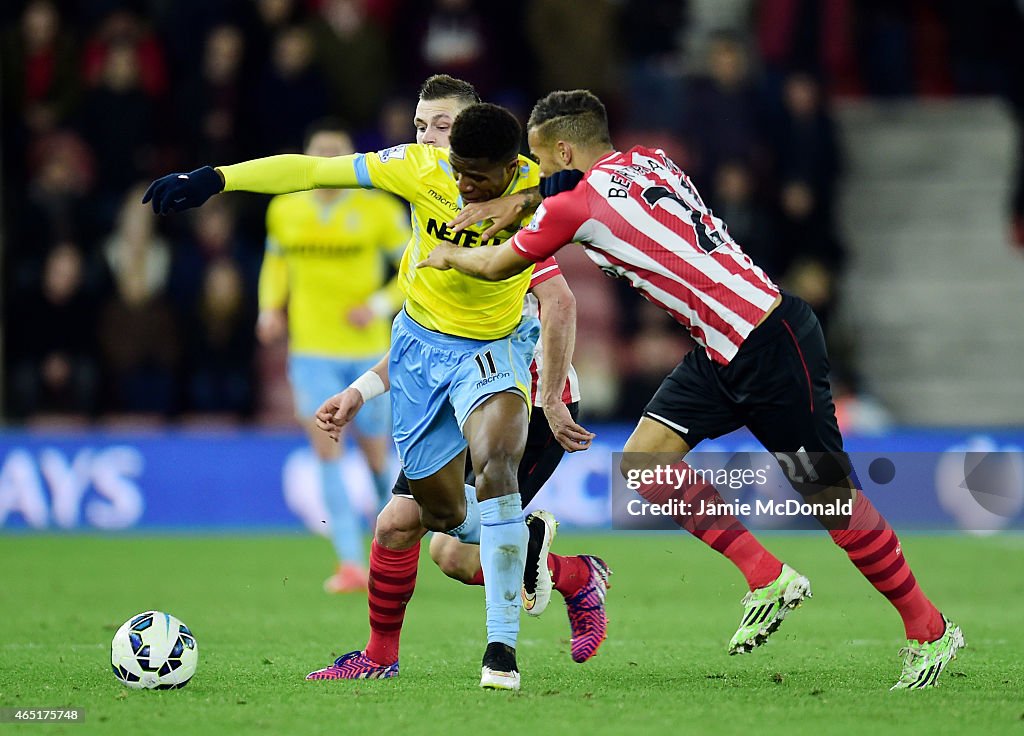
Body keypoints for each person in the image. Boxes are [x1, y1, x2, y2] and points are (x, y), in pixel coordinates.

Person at [418, 89, 965, 691]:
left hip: (769, 341)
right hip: (720, 347)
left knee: (831, 500)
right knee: (644, 462)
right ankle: (766, 575)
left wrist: (445, 253)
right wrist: (525, 197)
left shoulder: (573, 206)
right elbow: (563, 196)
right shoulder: (649, 160)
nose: (540, 171)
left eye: (543, 160)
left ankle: (931, 632)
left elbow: (498, 264)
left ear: (566, 149)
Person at [142, 93, 583, 691]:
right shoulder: (420, 169)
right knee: (441, 516)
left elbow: (589, 186)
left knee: (498, 465)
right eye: (451, 163)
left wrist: (522, 198)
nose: (461, 184)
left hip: (496, 349)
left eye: (477, 177)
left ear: (508, 167)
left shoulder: (537, 184)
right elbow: (309, 171)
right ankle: (523, 541)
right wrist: (218, 178)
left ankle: (500, 653)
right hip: (420, 352)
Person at [304, 76, 609, 684]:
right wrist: (360, 392)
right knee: (428, 539)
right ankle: (571, 573)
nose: (429, 138)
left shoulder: (516, 205)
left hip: (519, 393)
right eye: (421, 127)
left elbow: (562, 301)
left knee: (431, 535)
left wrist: (549, 396)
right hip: (452, 394)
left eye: (442, 126)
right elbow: (429, 346)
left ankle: (505, 637)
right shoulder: (433, 211)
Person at [257, 118, 410, 593]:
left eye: (334, 152)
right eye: (317, 151)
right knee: (326, 451)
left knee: (375, 455)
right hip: (312, 351)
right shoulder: (285, 209)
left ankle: (393, 555)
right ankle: (349, 561)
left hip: (368, 354)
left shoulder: (378, 210)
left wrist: (379, 305)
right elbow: (275, 263)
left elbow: (416, 268)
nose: (325, 161)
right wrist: (268, 308)